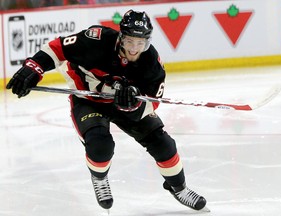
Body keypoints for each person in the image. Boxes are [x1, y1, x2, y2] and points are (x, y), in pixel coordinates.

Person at [6, 9, 207, 211]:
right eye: (129, 41)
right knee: (100, 146)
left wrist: (134, 104)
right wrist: (34, 67)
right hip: (89, 101)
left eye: (141, 43)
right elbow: (57, 48)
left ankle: (179, 189)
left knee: (163, 144)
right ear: (120, 37)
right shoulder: (96, 40)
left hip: (128, 108)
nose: (134, 49)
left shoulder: (151, 61)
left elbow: (153, 102)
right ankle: (100, 179)